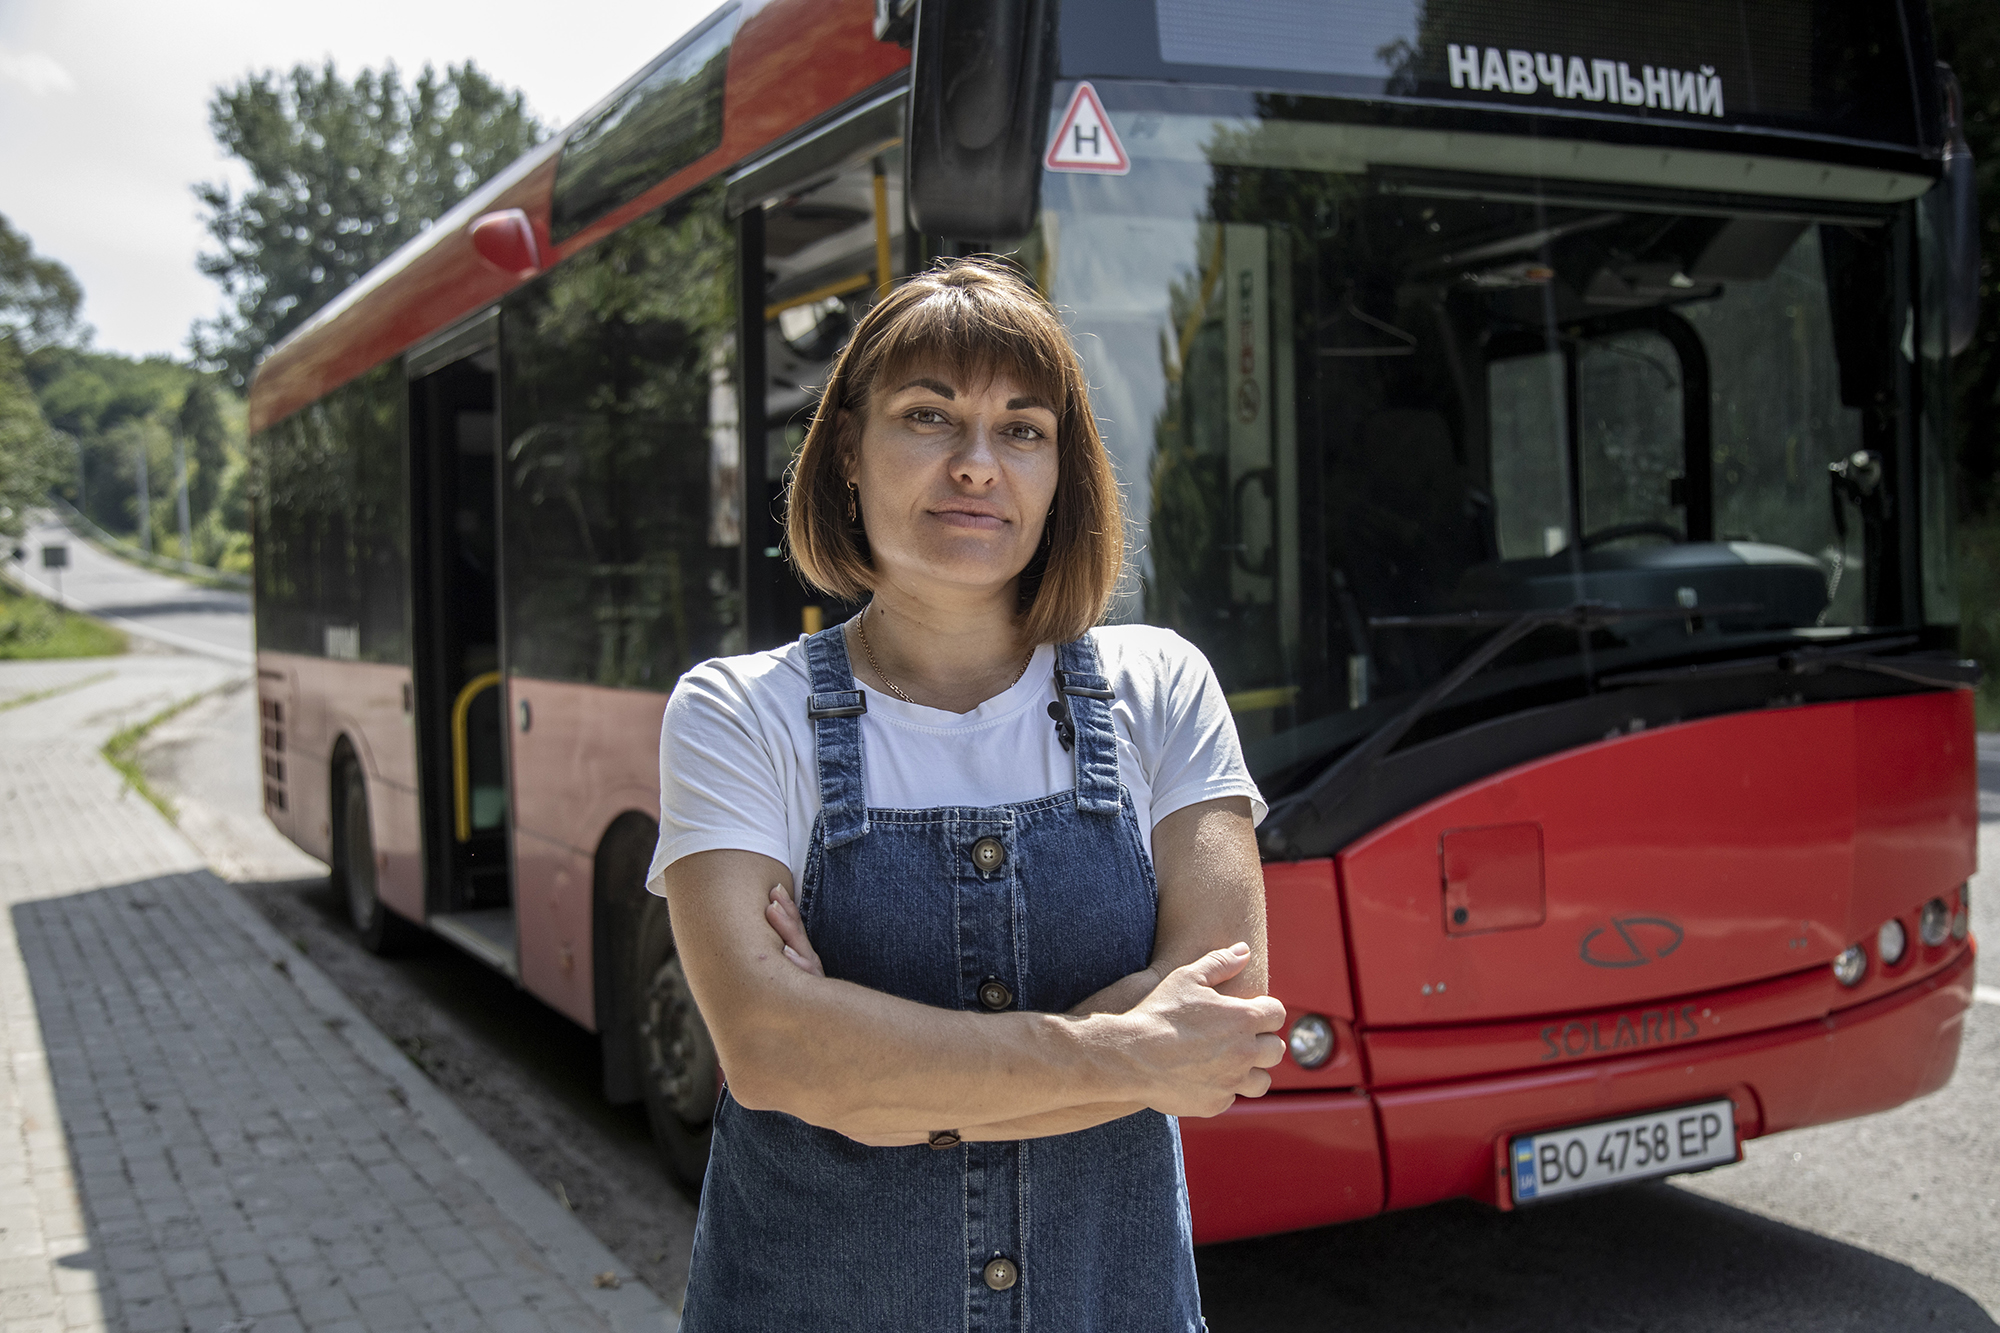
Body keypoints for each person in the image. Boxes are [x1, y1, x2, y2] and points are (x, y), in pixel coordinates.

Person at [649, 258, 1286, 1331]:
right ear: (847, 450)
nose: (976, 464)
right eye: (928, 415)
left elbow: (1218, 1038)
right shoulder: (733, 714)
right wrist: (1127, 1051)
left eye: (1022, 428)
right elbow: (769, 1052)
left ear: (1059, 473)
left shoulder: (1161, 687)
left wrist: (879, 1085)